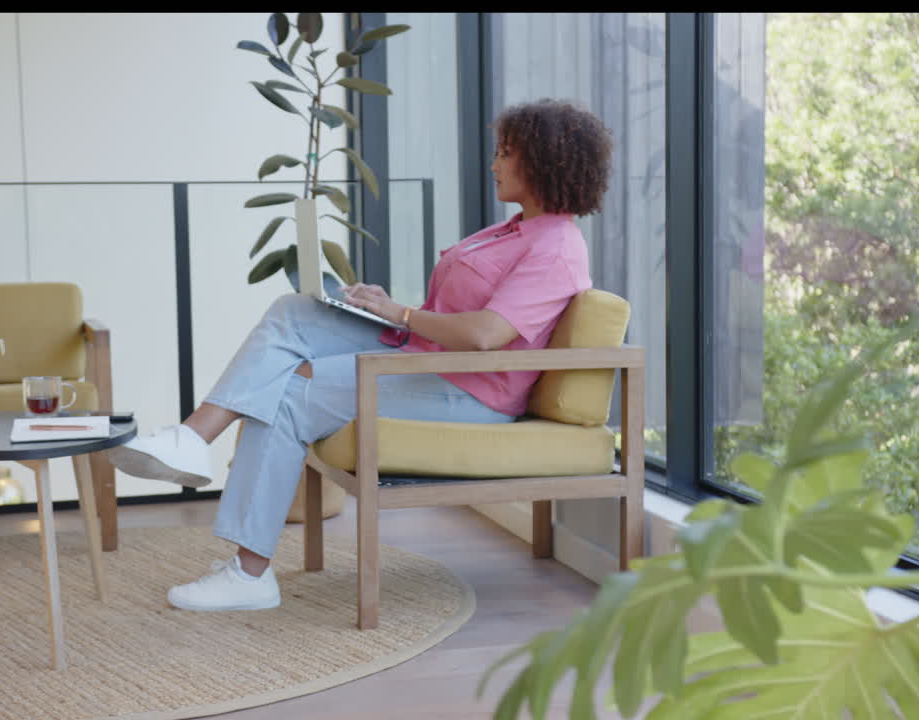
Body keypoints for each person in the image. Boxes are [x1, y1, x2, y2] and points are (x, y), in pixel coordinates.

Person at [107, 98, 614, 612]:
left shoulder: (556, 248)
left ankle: (250, 574)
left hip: (467, 388)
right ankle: (192, 438)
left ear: (544, 162)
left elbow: (486, 334)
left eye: (506, 153)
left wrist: (402, 315)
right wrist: (385, 309)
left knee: (290, 390)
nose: (494, 163)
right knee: (295, 311)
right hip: (427, 354)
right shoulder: (514, 229)